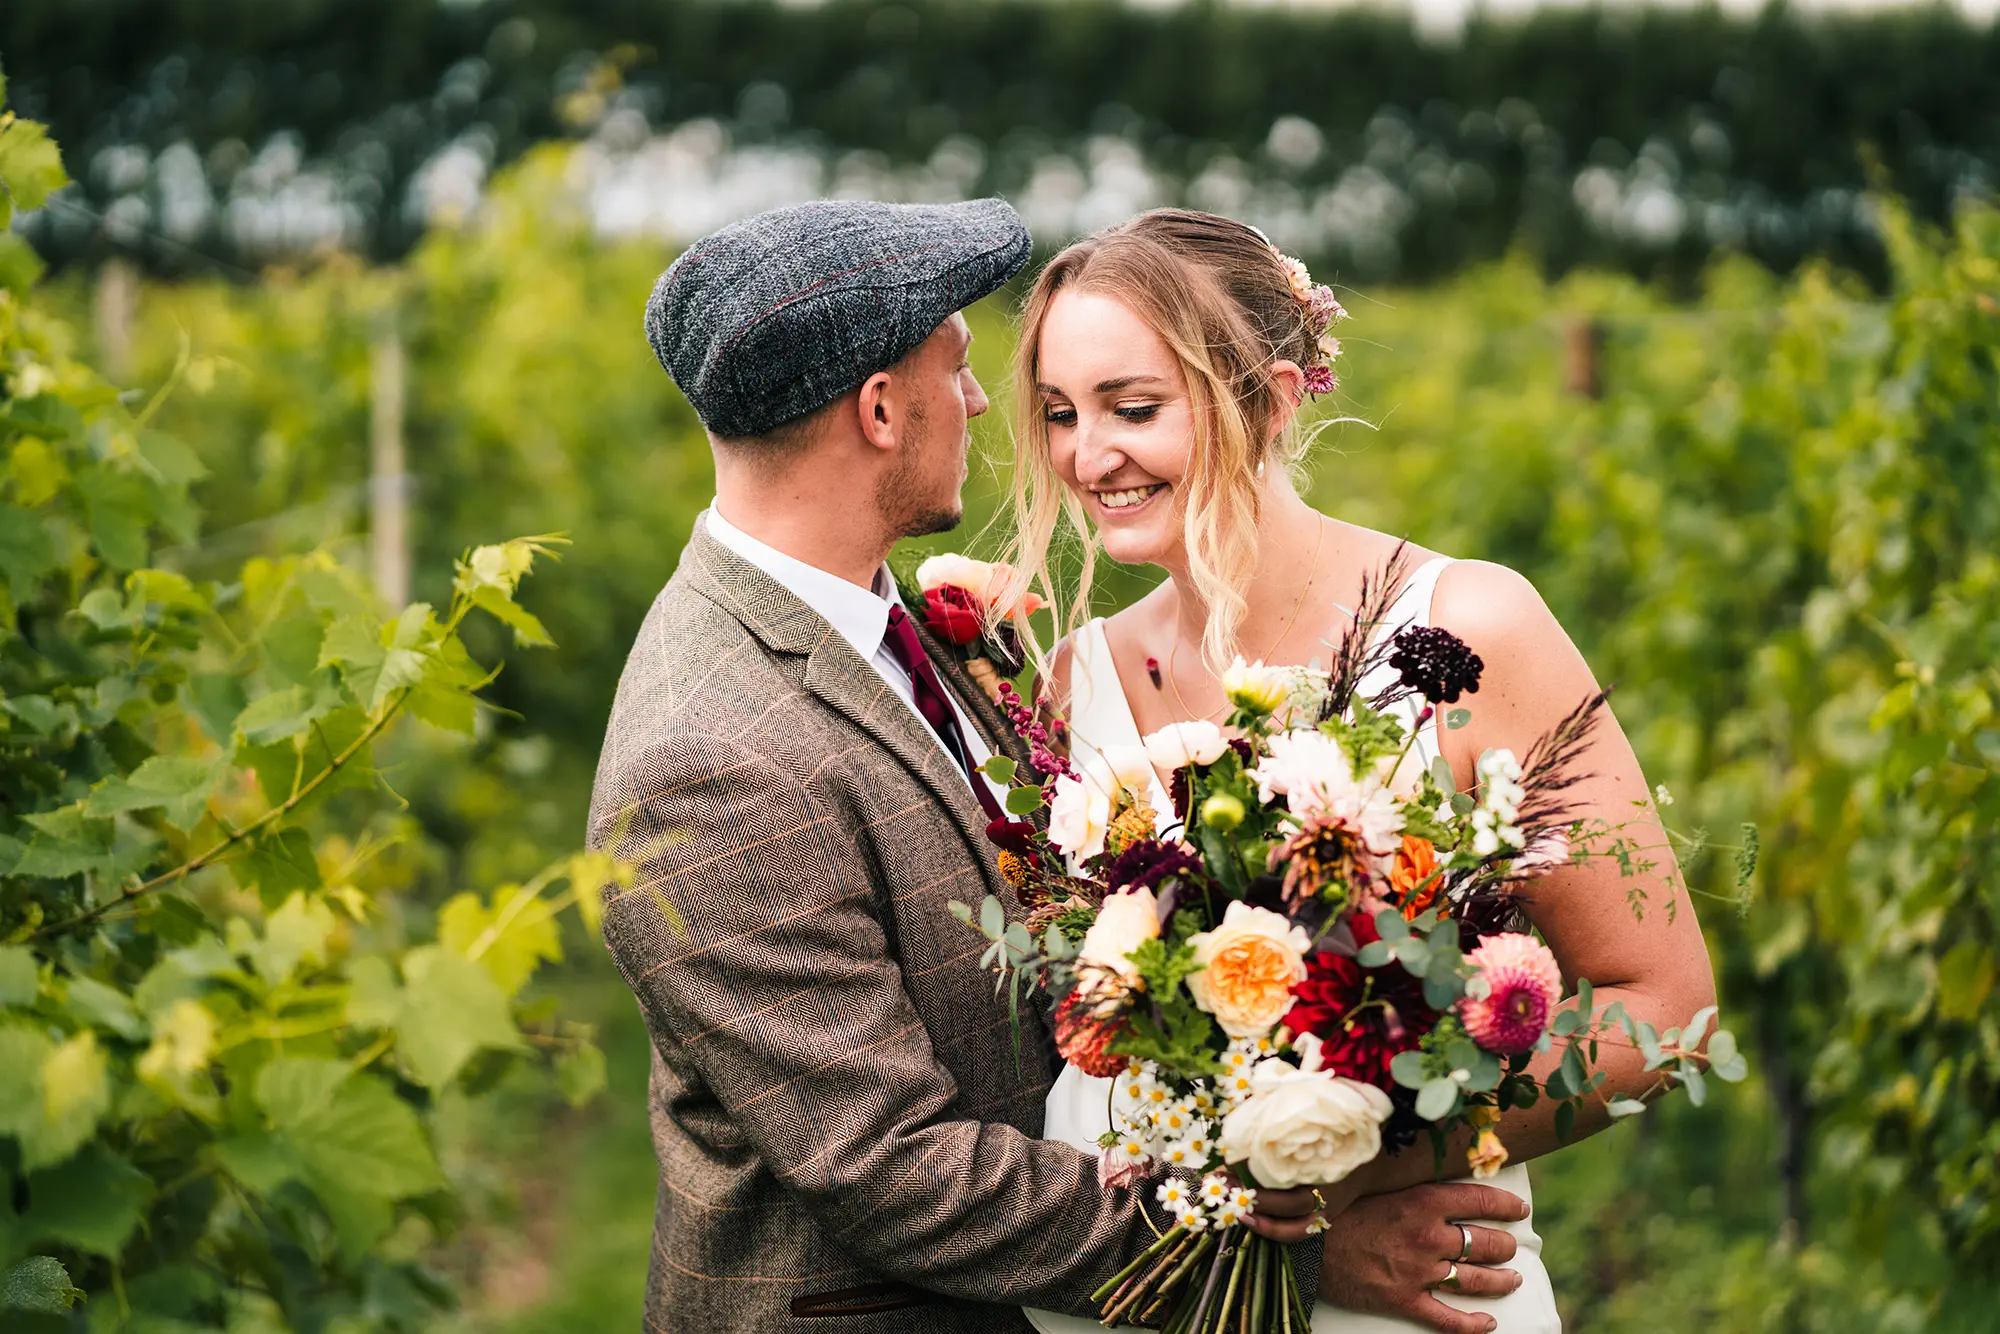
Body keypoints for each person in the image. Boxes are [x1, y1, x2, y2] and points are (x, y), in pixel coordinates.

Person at [588, 198, 1327, 1332]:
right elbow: (887, 1165)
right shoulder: (708, 753)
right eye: (959, 368)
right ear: (881, 409)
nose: (981, 403)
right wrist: (1274, 1238)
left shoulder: (918, 626)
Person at [1002, 209, 1718, 1334]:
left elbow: (1662, 1007)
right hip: (1134, 1300)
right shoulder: (1066, 681)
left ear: (1275, 398)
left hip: (1404, 1296)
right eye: (1059, 414)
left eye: (1132, 408)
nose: (1089, 455)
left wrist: (1354, 1161)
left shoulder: (1472, 627)